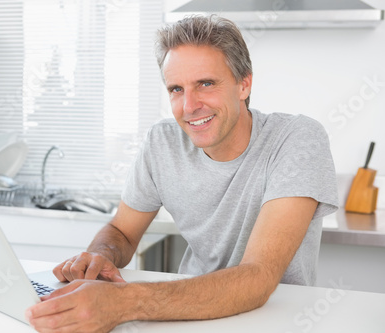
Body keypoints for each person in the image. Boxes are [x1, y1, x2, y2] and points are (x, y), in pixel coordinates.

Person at [26, 15, 338, 332]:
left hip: (279, 318)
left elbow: (258, 277)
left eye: (206, 83)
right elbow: (121, 231)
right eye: (176, 89)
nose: (189, 106)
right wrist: (98, 257)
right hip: (185, 314)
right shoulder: (163, 141)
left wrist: (122, 302)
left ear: (244, 83)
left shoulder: (297, 138)